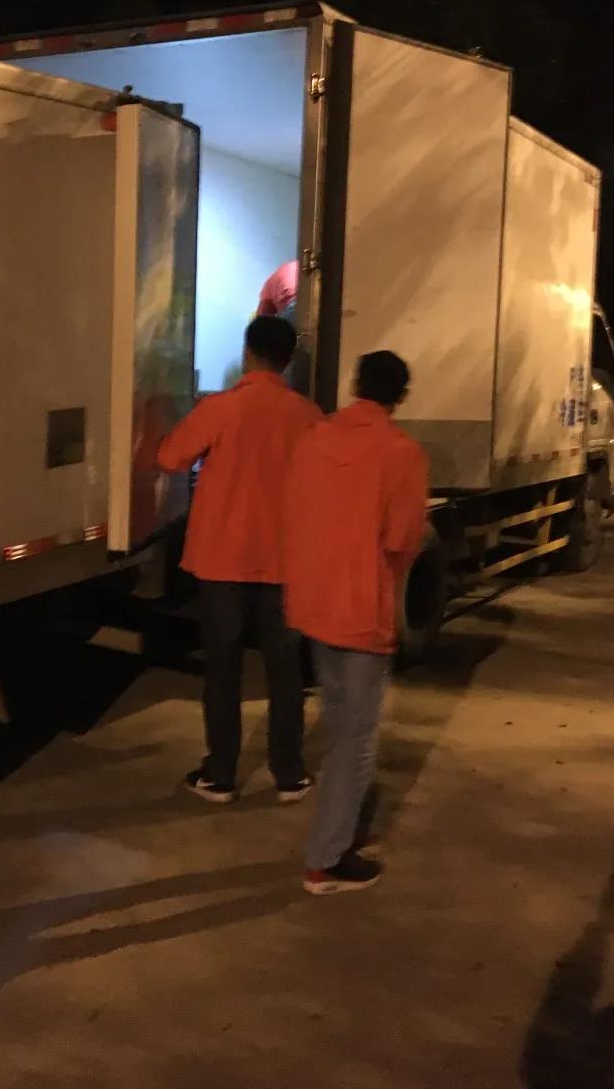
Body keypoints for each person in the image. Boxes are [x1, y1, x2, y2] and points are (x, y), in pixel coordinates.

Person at [157, 316, 321, 804]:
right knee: (285, 670)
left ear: (248, 353)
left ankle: (220, 774)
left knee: (223, 668)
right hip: (285, 563)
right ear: (287, 360)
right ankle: (289, 773)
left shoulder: (222, 408)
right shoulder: (309, 416)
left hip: (222, 561)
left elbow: (170, 458)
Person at [284, 350, 427, 894]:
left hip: (314, 604)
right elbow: (402, 540)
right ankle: (326, 860)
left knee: (337, 723)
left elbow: (294, 512)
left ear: (355, 385)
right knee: (356, 741)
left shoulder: (314, 440)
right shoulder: (401, 453)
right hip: (363, 610)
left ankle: (333, 831)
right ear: (400, 397)